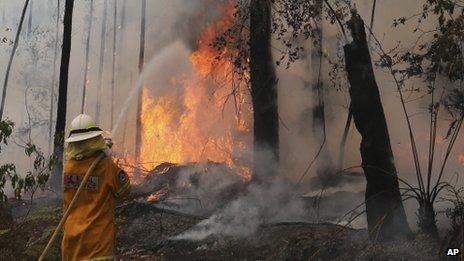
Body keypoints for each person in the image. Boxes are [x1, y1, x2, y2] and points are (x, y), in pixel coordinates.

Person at [61, 114, 130, 261]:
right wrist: (107, 156)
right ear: (94, 139)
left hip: (71, 245)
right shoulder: (105, 166)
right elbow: (125, 190)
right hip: (97, 247)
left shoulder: (68, 167)